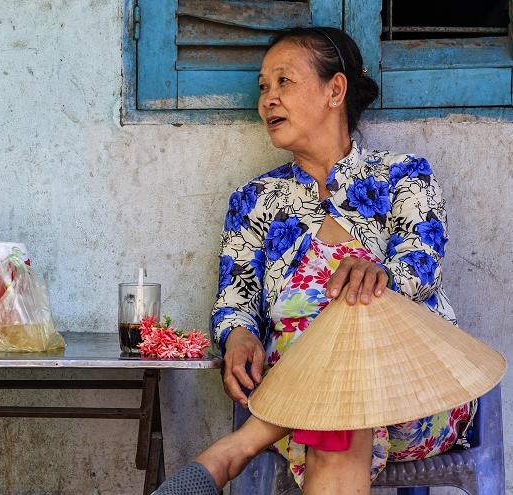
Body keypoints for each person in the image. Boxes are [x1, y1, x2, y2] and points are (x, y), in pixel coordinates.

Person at [154, 27, 473, 495]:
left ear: (335, 90)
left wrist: (377, 276)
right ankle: (234, 451)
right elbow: (235, 300)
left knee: (356, 305)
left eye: (284, 82)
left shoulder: (405, 175)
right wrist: (237, 335)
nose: (268, 99)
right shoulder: (254, 200)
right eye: (263, 87)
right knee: (335, 423)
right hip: (297, 398)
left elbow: (422, 267)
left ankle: (233, 451)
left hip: (416, 395)